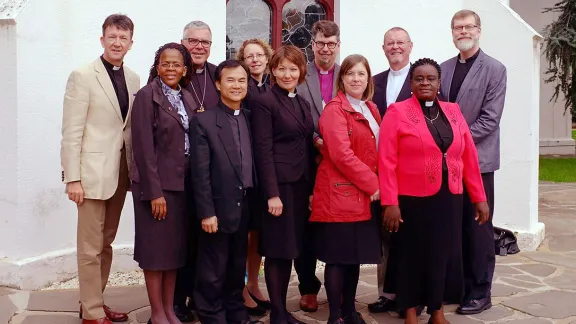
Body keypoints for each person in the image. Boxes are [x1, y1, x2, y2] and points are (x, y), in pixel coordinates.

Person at [378, 58, 490, 324]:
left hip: (448, 197)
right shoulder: (397, 111)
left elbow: (468, 157)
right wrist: (390, 202)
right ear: (411, 83)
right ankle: (409, 311)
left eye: (430, 78)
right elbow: (386, 160)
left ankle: (437, 310)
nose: (425, 83)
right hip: (411, 199)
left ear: (439, 83)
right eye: (419, 78)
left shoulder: (453, 111)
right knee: (410, 255)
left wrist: (479, 198)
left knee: (444, 254)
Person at [61, 14, 139, 324]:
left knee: (106, 244)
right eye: (112, 36)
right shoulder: (82, 75)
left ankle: (92, 301)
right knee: (90, 247)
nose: (117, 42)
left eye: (123, 37)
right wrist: (73, 178)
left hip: (120, 173)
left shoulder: (133, 78)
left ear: (131, 43)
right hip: (91, 175)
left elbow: (128, 128)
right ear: (102, 39)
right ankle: (92, 315)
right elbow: (71, 131)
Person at [440, 10, 507, 315]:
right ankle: (460, 288)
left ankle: (481, 291)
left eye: (468, 26)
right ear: (452, 32)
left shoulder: (495, 69)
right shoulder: (443, 69)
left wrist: (453, 142)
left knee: (478, 228)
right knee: (454, 228)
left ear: (479, 30)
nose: (462, 31)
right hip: (448, 165)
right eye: (457, 27)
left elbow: (489, 121)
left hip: (478, 163)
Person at [310, 54, 381, 324]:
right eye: (350, 73)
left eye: (361, 74)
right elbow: (340, 154)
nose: (356, 79)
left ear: (368, 79)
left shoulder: (371, 109)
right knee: (338, 258)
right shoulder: (334, 110)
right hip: (341, 193)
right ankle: (336, 316)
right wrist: (373, 183)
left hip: (363, 195)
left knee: (354, 258)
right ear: (342, 79)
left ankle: (350, 311)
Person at [191, 59, 262, 324]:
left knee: (235, 266)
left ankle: (235, 313)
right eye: (230, 80)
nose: (237, 85)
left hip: (244, 206)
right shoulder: (204, 122)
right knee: (213, 269)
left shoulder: (248, 117)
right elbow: (200, 173)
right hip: (217, 209)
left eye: (242, 80)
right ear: (218, 84)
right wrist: (207, 213)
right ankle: (211, 314)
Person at [130, 43, 196, 324]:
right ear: (158, 67)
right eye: (165, 64)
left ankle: (170, 309)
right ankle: (157, 312)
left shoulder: (188, 98)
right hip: (156, 187)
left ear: (184, 69)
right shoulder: (147, 96)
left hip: (183, 185)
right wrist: (154, 193)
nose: (171, 69)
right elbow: (143, 149)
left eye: (176, 64)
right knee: (155, 252)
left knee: (174, 252)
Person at [251, 45, 315, 324]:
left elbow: (305, 142)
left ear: (301, 71)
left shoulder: (301, 101)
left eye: (293, 68)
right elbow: (263, 150)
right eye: (281, 68)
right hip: (279, 188)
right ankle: (278, 313)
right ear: (272, 70)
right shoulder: (265, 101)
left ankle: (282, 310)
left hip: (300, 185)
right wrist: (272, 194)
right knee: (278, 250)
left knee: (291, 248)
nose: (287, 74)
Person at [294, 20, 341, 312]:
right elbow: (294, 113)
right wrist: (314, 138)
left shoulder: (348, 73)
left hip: (340, 163)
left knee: (337, 226)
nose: (325, 48)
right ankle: (308, 287)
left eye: (331, 43)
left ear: (338, 45)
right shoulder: (300, 74)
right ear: (312, 45)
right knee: (305, 228)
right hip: (306, 160)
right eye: (320, 43)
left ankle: (338, 286)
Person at [369, 26, 416, 317]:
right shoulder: (374, 82)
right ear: (384, 48)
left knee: (411, 236)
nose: (395, 47)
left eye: (400, 43)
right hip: (381, 170)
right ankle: (386, 293)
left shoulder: (423, 79)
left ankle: (411, 295)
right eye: (390, 43)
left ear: (410, 46)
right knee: (385, 234)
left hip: (412, 172)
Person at [235, 38, 274, 315]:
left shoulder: (271, 85)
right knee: (244, 235)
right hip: (245, 166)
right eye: (249, 56)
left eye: (259, 55)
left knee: (258, 234)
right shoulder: (240, 87)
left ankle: (254, 283)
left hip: (266, 169)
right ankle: (240, 287)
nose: (255, 60)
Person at [181, 21, 219, 112]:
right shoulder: (171, 73)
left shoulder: (218, 73)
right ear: (182, 43)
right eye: (193, 41)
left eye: (205, 42)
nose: (199, 47)